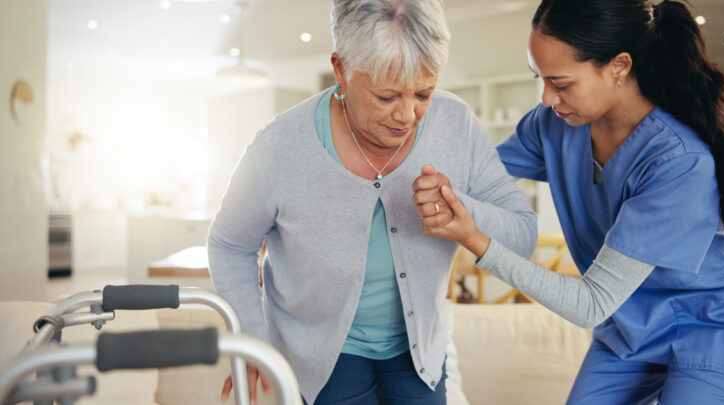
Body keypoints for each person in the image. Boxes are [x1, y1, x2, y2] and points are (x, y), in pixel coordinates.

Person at [414, 0, 724, 404]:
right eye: (540, 78)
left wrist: (476, 240)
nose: (546, 98)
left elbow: (591, 304)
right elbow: (476, 179)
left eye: (561, 84)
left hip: (714, 326)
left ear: (619, 66)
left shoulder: (679, 162)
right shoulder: (554, 124)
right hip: (630, 325)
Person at [207, 0, 537, 403]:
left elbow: (522, 235)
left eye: (423, 93)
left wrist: (465, 215)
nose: (407, 115)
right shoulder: (278, 146)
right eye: (386, 96)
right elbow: (229, 245)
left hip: (419, 351)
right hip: (318, 355)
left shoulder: (456, 125)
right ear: (341, 70)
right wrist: (253, 340)